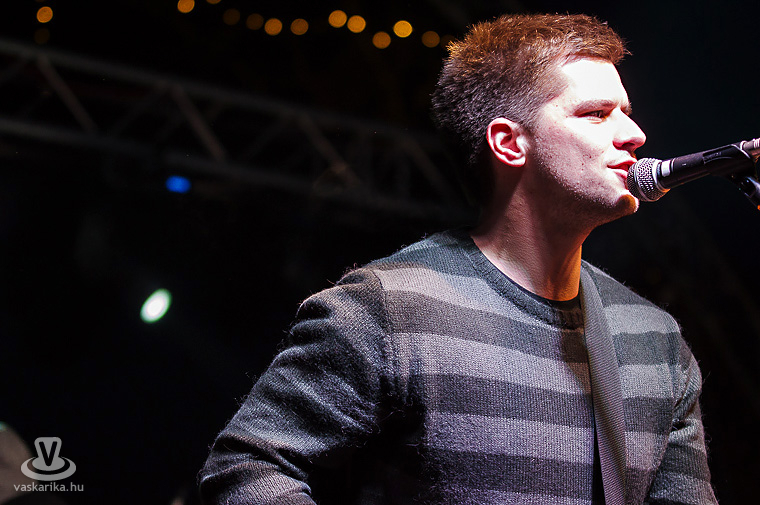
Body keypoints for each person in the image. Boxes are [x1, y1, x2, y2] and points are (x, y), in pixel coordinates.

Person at [198, 13, 717, 505]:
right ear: (509, 143)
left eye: (626, 112)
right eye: (596, 114)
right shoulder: (387, 310)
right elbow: (247, 467)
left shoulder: (656, 341)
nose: (634, 134)